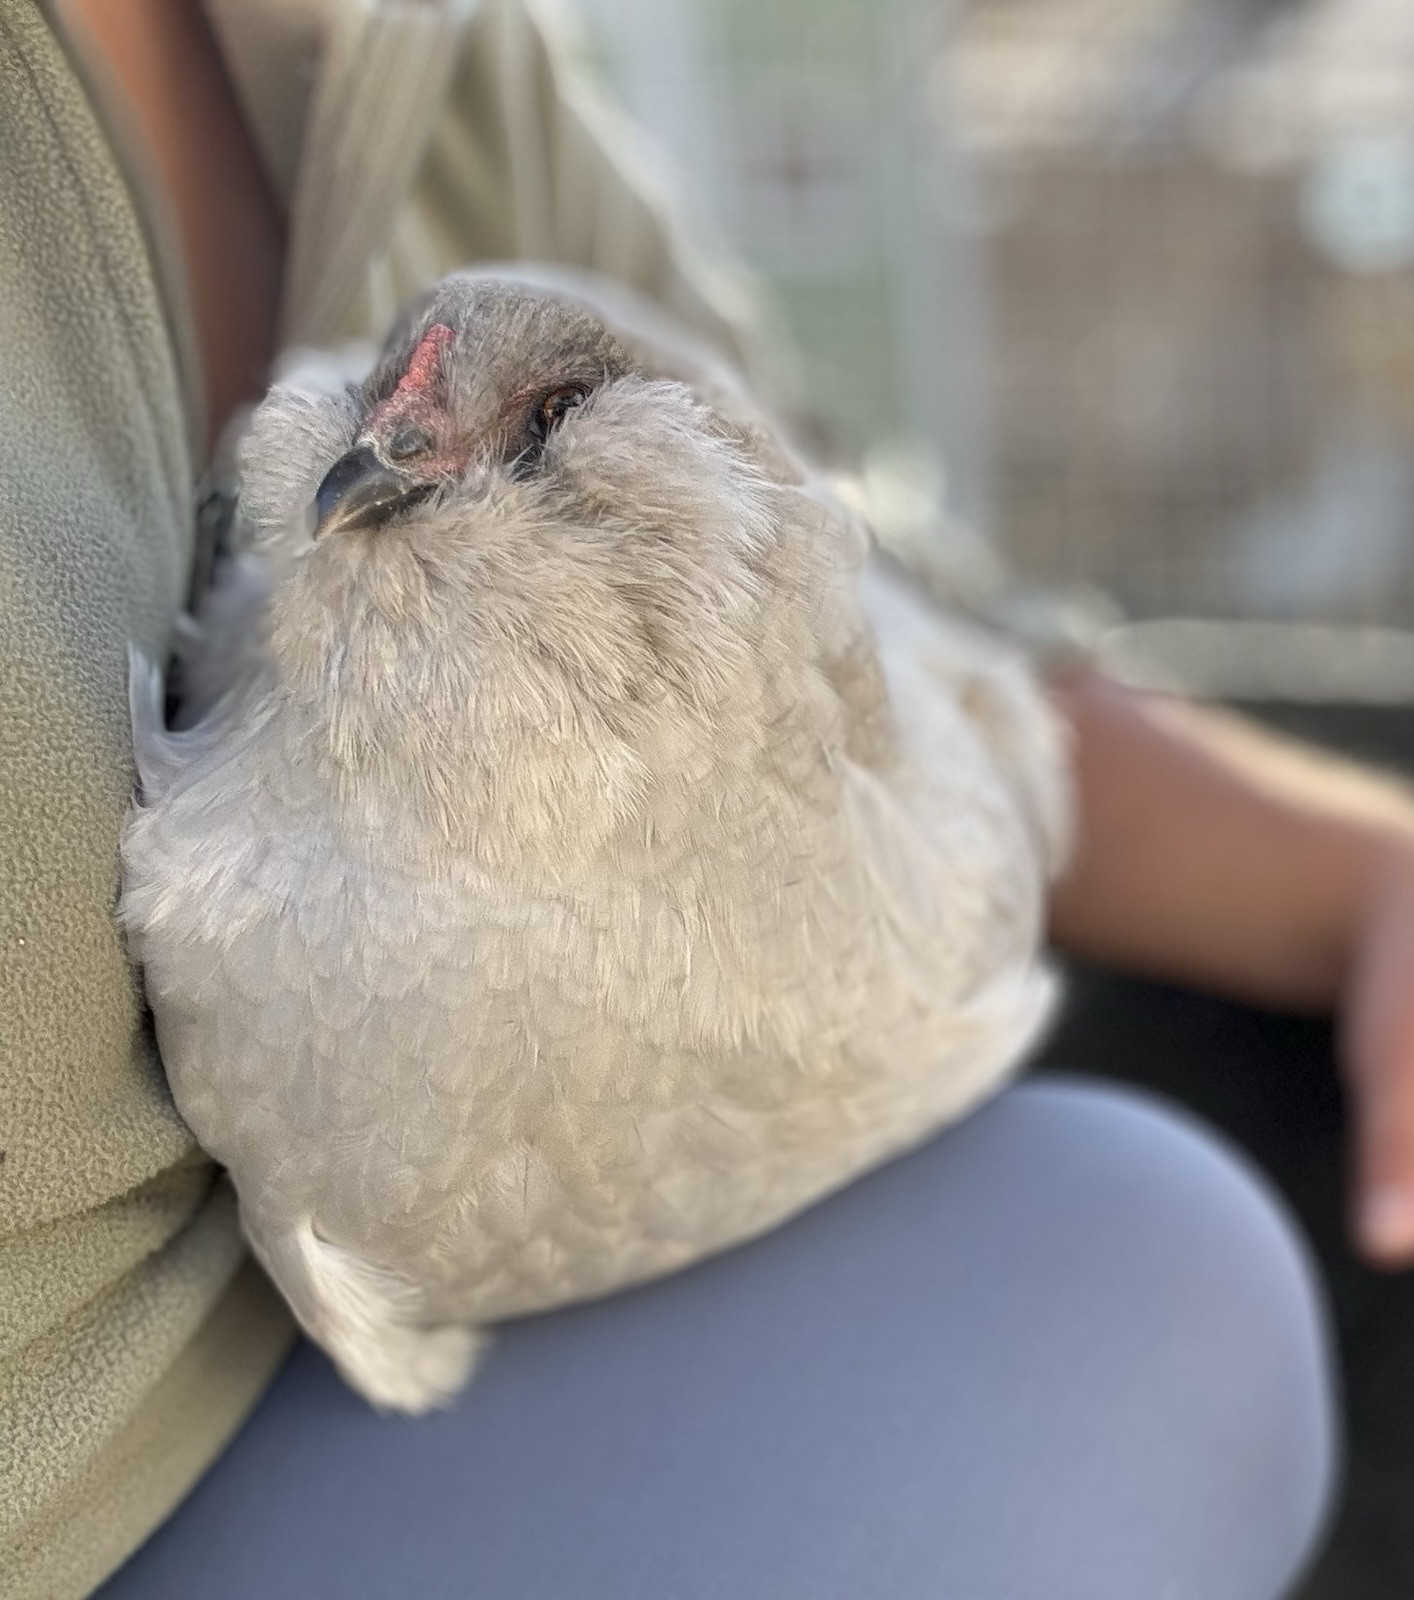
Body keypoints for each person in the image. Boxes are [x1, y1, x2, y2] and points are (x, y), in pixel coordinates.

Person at [7, 0, 1409, 1594]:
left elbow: (830, 559)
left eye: (529, 434)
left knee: (1152, 1263)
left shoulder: (410, 33)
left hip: (327, 1367)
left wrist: (1358, 872)